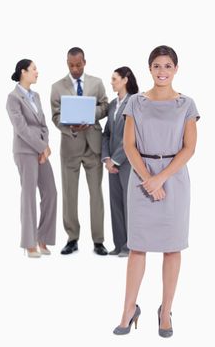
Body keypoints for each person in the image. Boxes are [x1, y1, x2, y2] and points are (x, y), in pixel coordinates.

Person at [113, 45, 200, 337]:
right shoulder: (135, 102)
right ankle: (128, 309)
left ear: (176, 69)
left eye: (167, 66)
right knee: (138, 246)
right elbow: (128, 145)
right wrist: (148, 178)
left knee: (172, 247)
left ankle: (165, 311)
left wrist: (160, 178)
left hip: (173, 179)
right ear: (149, 69)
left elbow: (189, 148)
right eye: (156, 66)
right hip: (141, 178)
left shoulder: (186, 104)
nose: (162, 71)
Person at [51, 47, 109, 255]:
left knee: (96, 194)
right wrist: (71, 127)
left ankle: (98, 241)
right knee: (69, 194)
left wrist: (91, 114)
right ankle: (72, 238)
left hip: (93, 146)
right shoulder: (57, 87)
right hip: (70, 146)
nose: (74, 69)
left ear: (85, 62)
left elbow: (105, 107)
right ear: (67, 63)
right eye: (70, 65)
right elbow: (56, 117)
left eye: (78, 64)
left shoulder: (97, 83)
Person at [6, 59, 57, 258]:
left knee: (50, 192)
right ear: (23, 72)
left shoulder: (35, 96)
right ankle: (29, 244)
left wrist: (44, 147)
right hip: (25, 151)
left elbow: (43, 124)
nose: (37, 72)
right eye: (34, 69)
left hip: (40, 151)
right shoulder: (13, 97)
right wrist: (41, 147)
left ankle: (42, 237)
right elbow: (21, 129)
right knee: (28, 195)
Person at [102, 67, 139, 257]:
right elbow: (106, 133)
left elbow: (131, 137)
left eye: (114, 78)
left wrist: (115, 160)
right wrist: (107, 158)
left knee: (128, 203)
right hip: (112, 163)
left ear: (125, 80)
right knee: (115, 203)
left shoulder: (136, 102)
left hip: (128, 162)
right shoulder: (112, 105)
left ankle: (130, 246)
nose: (111, 81)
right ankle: (118, 245)